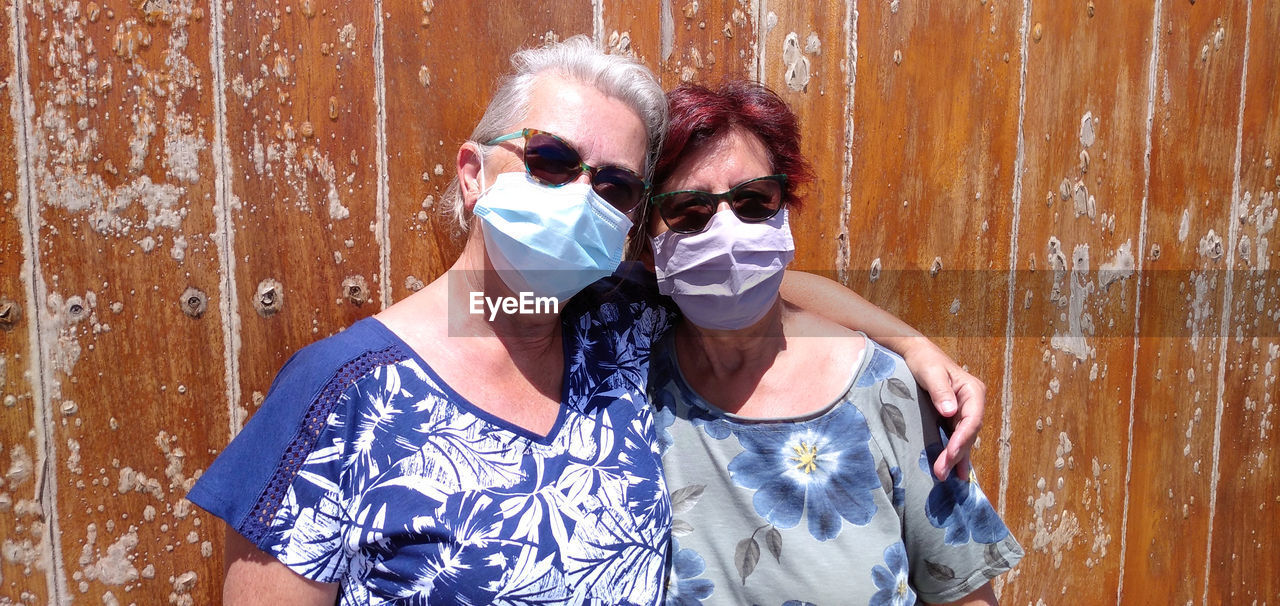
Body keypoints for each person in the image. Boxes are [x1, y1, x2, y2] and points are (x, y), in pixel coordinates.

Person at [189, 38, 987, 605]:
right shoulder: (343, 393)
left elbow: (771, 282)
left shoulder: (613, 331)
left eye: (612, 184)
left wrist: (910, 346)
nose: (579, 195)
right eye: (550, 160)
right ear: (474, 173)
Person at [642, 81, 1023, 605]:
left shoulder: (889, 393)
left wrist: (911, 347)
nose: (727, 236)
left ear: (785, 211)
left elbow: (964, 593)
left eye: (754, 202)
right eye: (690, 211)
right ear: (647, 246)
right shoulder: (624, 376)